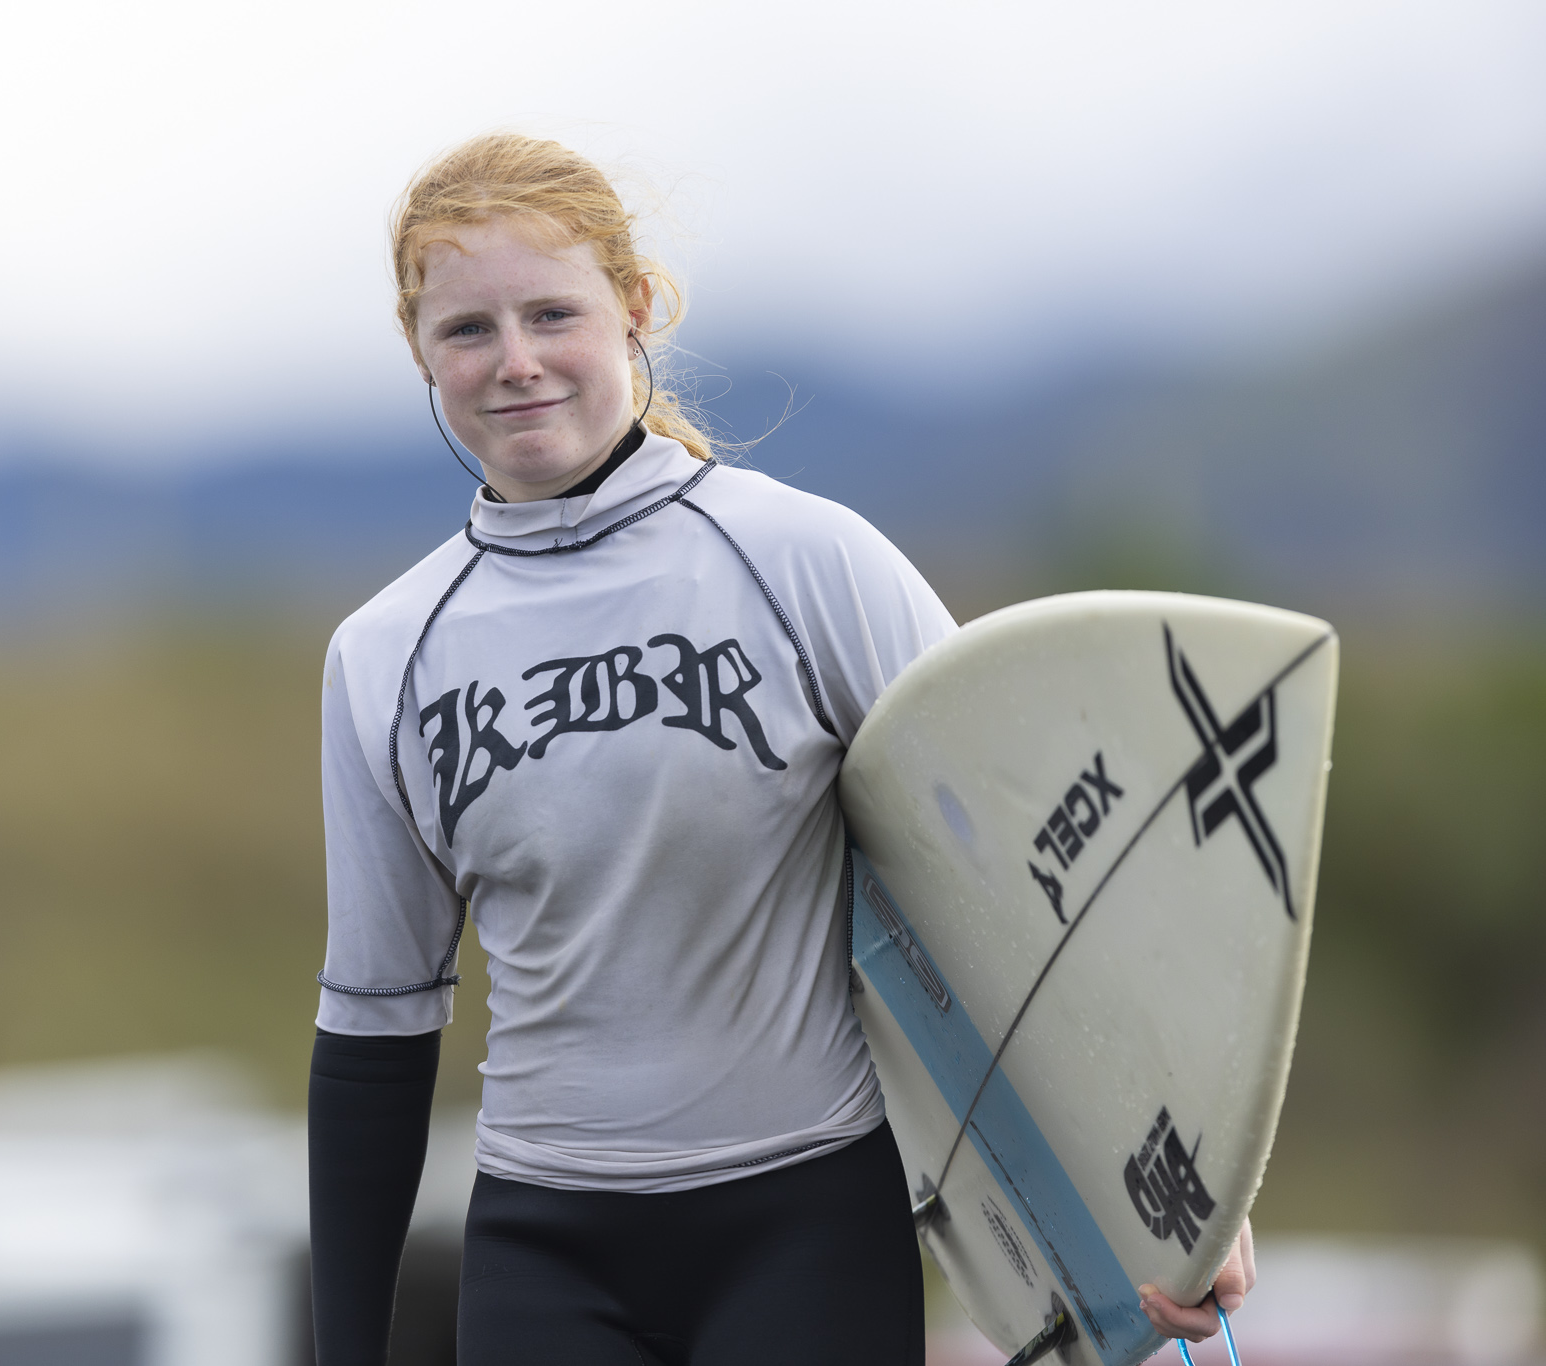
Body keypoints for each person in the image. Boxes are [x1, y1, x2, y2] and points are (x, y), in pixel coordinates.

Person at [307, 132, 1254, 1366]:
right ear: (419, 348)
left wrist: (1174, 1195)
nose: (516, 361)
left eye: (552, 313)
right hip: (543, 1246)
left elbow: (1026, 890)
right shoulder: (388, 655)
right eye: (467, 329)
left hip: (800, 1227)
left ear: (633, 308)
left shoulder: (803, 563)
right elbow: (375, 1032)